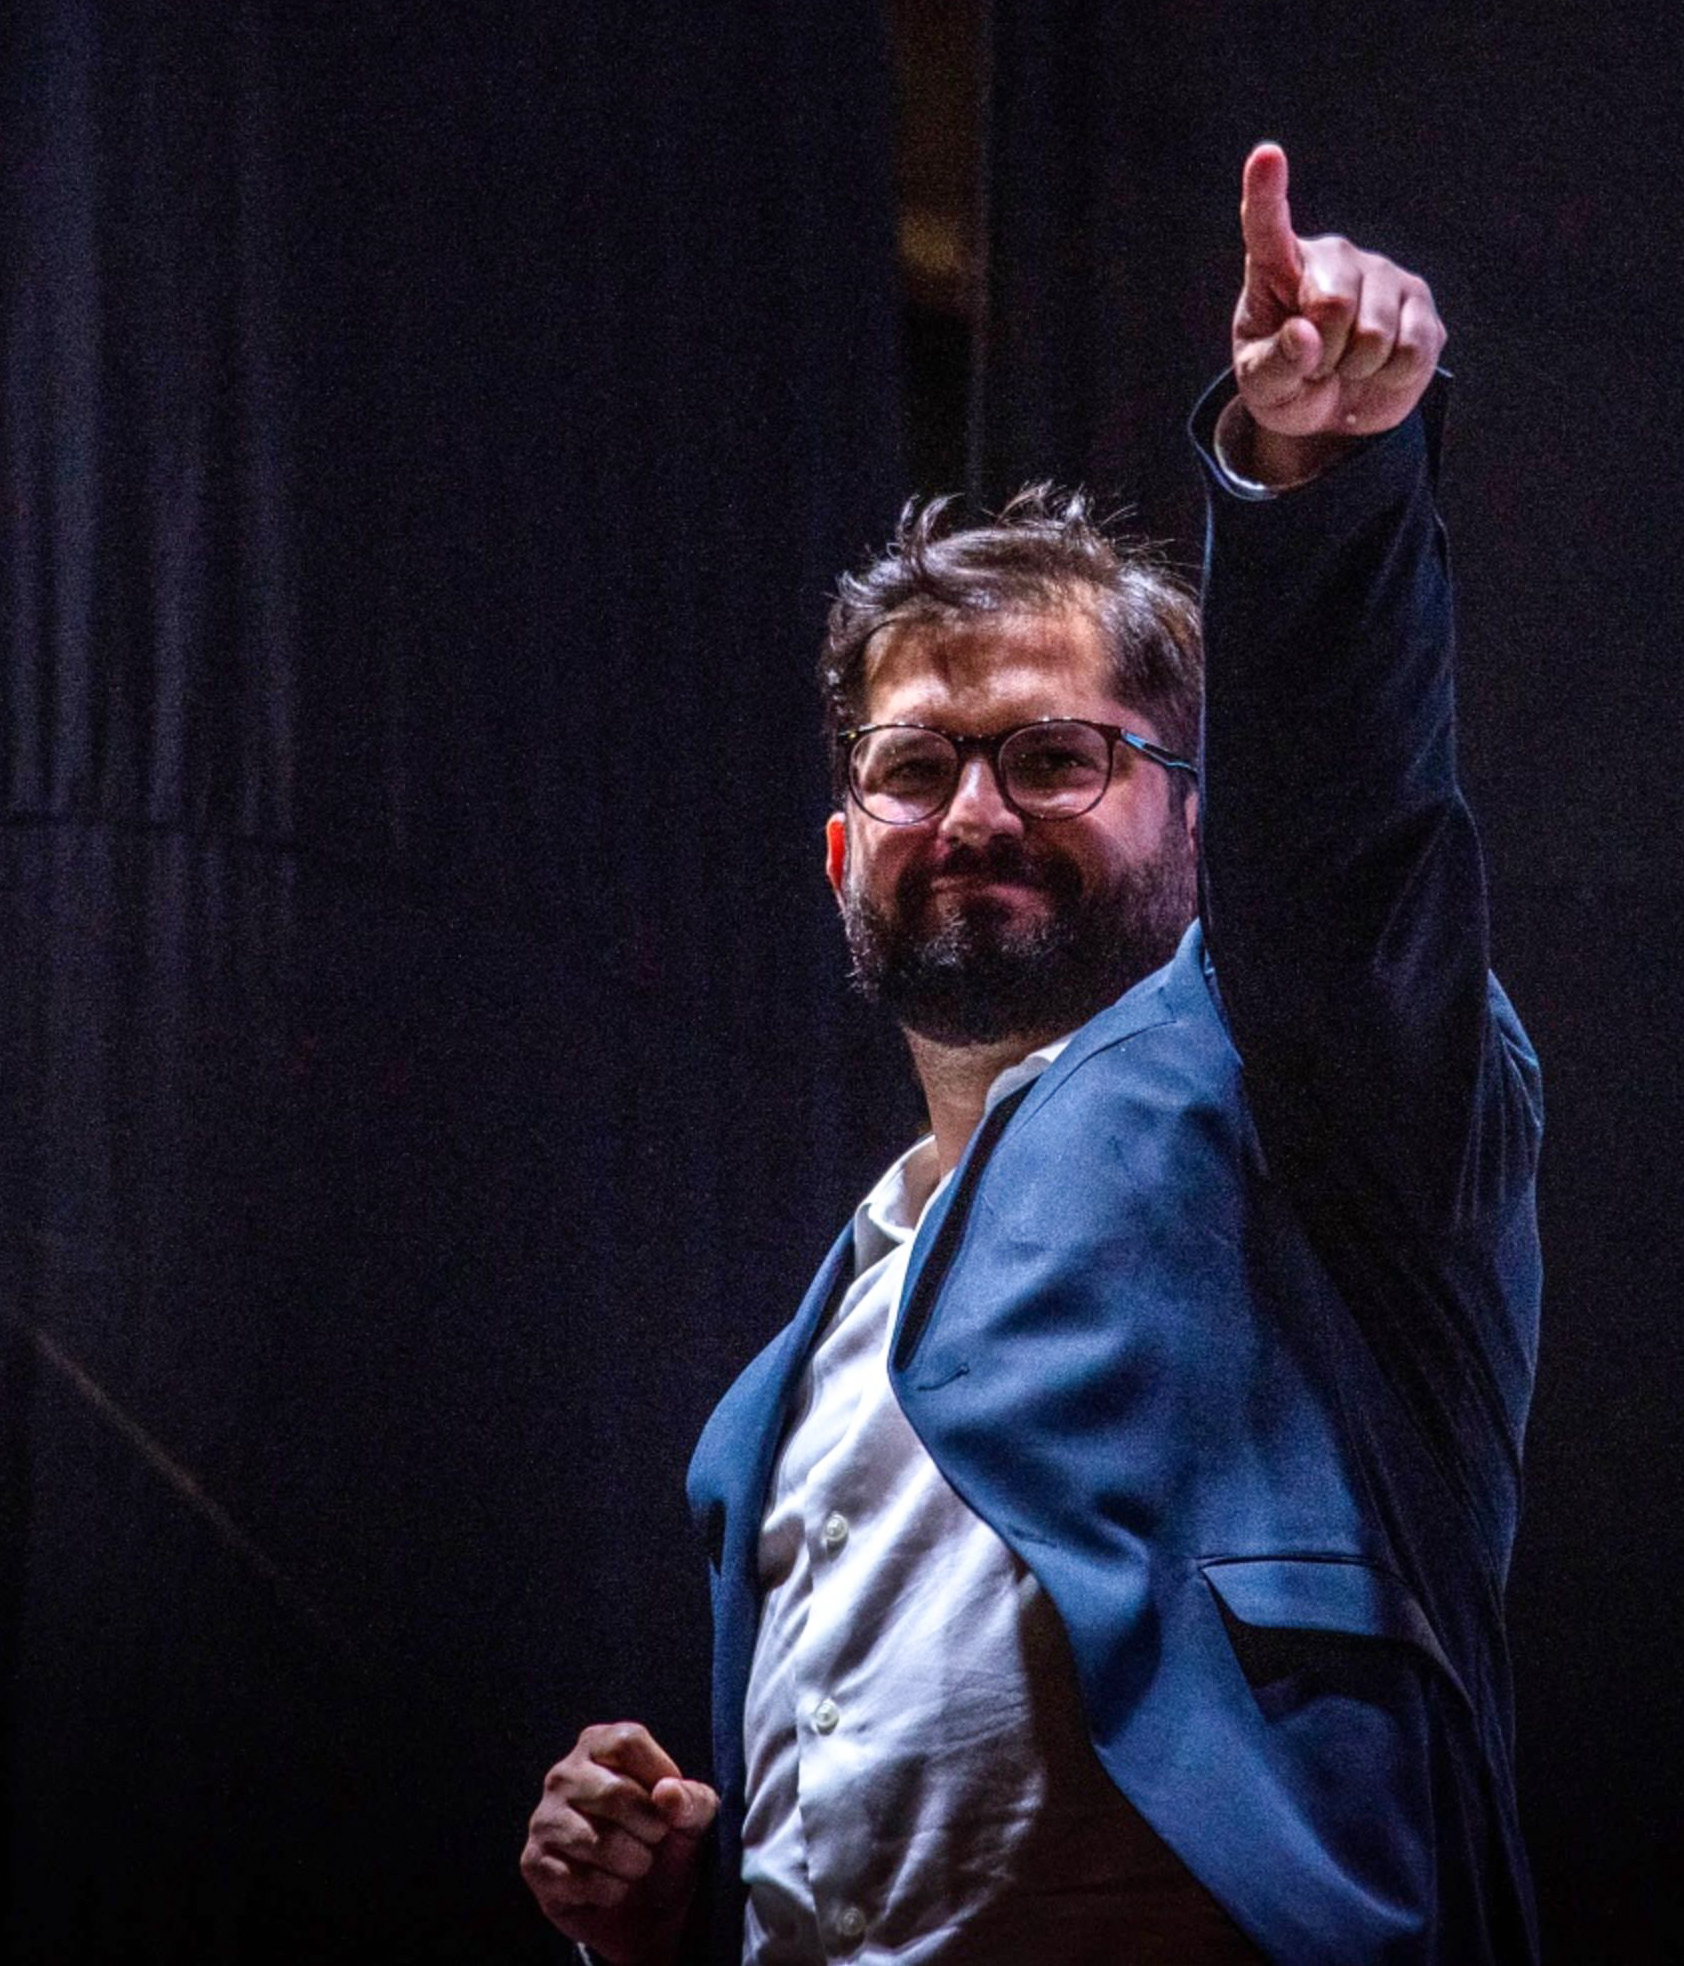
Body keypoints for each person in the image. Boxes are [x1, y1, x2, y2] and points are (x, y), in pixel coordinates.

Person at [522, 142, 1544, 1966]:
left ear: (1201, 828)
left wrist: (1324, 479)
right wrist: (678, 1906)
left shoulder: (1314, 1112)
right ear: (845, 855)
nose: (972, 811)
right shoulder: (786, 1382)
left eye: (1053, 758)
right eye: (915, 770)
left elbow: (1354, 831)